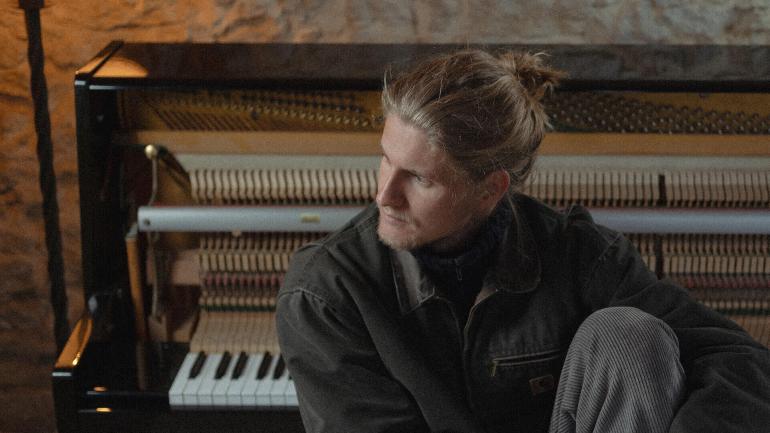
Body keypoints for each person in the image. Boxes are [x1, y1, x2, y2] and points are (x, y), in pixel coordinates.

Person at [275, 49, 770, 433]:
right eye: (386, 159)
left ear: (490, 190)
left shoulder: (577, 253)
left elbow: (740, 361)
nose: (384, 195)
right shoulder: (326, 291)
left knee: (628, 334)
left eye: (420, 179)